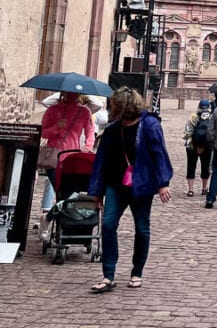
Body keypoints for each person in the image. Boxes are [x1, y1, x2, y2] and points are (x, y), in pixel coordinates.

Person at [88, 87, 172, 292]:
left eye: (115, 105)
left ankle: (137, 271)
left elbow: (159, 153)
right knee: (108, 225)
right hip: (115, 184)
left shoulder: (150, 126)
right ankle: (108, 275)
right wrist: (97, 191)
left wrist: (163, 183)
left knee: (141, 228)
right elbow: (102, 161)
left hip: (141, 185)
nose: (111, 108)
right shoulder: (113, 129)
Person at [39, 92, 95, 239]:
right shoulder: (53, 110)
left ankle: (54, 222)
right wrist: (56, 127)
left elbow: (90, 132)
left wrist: (87, 147)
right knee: (61, 195)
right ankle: (59, 228)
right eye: (71, 94)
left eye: (77, 94)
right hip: (54, 159)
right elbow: (43, 132)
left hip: (73, 160)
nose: (74, 96)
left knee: (70, 196)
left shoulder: (84, 111)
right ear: (64, 94)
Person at [181, 99, 213, 197]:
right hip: (207, 145)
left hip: (192, 146)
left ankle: (191, 190)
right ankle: (204, 188)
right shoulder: (212, 117)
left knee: (191, 166)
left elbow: (187, 132)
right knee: (205, 166)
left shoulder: (193, 117)